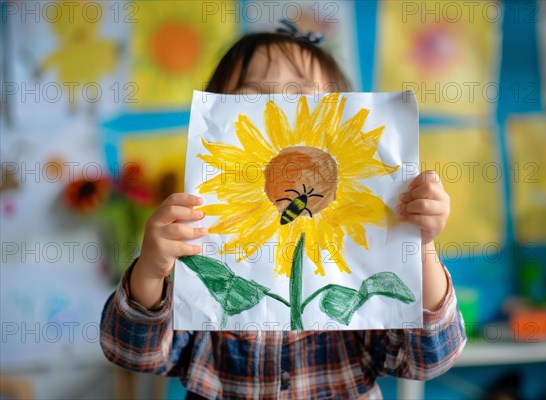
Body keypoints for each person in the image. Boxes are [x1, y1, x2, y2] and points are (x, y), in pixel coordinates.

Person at [100, 31, 466, 400]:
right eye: (251, 98)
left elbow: (428, 360)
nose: (277, 109)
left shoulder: (362, 251)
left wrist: (417, 245)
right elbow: (133, 353)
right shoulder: (203, 241)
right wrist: (150, 269)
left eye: (303, 98)